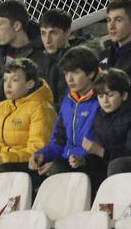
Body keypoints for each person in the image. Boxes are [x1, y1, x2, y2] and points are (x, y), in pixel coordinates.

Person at [0, 58, 54, 187]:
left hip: (28, 167)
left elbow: (37, 151)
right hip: (1, 164)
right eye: (5, 80)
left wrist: (2, 159)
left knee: (2, 173)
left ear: (29, 84)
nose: (7, 86)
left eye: (14, 80)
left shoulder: (41, 109)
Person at [30, 45, 105, 186]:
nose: (69, 79)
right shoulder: (68, 101)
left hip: (93, 163)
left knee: (57, 168)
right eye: (66, 73)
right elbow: (59, 140)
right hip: (67, 161)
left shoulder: (103, 99)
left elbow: (106, 142)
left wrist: (80, 159)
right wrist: (42, 155)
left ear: (91, 73)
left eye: (75, 73)